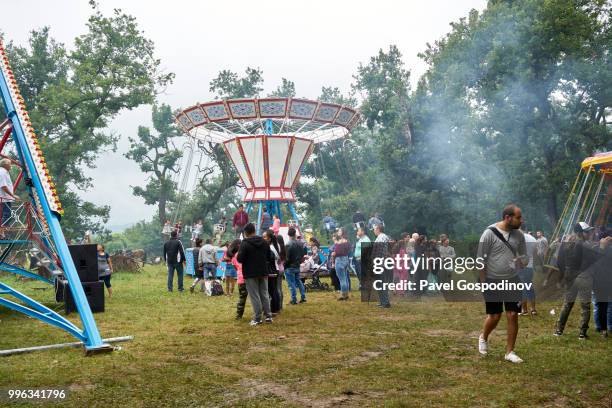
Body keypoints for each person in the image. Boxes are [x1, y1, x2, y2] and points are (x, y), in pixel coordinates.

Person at [477, 204, 527, 363]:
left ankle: (509, 352)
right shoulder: (489, 234)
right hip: (492, 280)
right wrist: (484, 282)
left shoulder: (519, 235)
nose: (521, 220)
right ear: (508, 217)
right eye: (518, 217)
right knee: (495, 315)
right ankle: (483, 337)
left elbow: (525, 258)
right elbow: (480, 260)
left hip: (512, 280)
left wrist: (520, 261)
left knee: (512, 314)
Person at [555, 222, 600, 339]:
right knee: (585, 306)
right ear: (581, 233)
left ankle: (558, 330)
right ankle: (582, 334)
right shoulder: (587, 246)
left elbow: (559, 262)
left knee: (567, 304)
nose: (590, 233)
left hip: (570, 276)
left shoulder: (566, 243)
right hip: (584, 276)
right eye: (588, 231)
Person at [237, 223, 273, 325]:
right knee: (264, 294)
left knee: (254, 295)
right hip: (263, 271)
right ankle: (268, 316)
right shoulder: (264, 241)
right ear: (254, 230)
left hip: (250, 273)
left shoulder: (245, 243)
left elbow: (240, 259)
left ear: (246, 233)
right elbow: (270, 257)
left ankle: (257, 318)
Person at [284, 226, 306, 305]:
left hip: (290, 266)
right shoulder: (300, 243)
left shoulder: (288, 244)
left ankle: (294, 299)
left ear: (288, 234)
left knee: (291, 284)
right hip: (297, 265)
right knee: (299, 282)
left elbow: (287, 258)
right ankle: (303, 297)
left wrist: (284, 266)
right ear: (295, 234)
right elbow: (302, 255)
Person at [518, 230, 537, 316]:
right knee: (529, 287)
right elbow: (535, 254)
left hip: (520, 267)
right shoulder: (533, 239)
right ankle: (533, 309)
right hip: (530, 267)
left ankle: (524, 310)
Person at [373, 223, 392, 308]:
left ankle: (385, 302)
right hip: (384, 262)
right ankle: (383, 301)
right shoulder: (386, 237)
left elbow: (378, 252)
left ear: (378, 229)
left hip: (379, 263)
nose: (374, 231)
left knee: (381, 283)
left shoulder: (380, 238)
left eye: (374, 229)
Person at [264, 230, 282, 313]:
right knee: (274, 290)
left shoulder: (270, 247)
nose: (263, 239)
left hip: (272, 270)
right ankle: (277, 307)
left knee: (272, 291)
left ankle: (274, 308)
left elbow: (271, 259)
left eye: (264, 237)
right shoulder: (276, 245)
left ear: (269, 238)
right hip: (276, 269)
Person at [228, 240, 247, 320]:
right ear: (239, 245)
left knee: (242, 298)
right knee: (255, 297)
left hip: (240, 279)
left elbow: (236, 268)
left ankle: (239, 315)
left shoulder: (233, 257)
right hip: (248, 278)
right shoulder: (243, 254)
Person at [332, 228, 352, 301]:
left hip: (339, 260)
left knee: (342, 279)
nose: (338, 232)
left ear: (342, 233)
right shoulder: (347, 241)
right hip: (346, 259)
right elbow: (349, 249)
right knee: (345, 278)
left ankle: (343, 295)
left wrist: (334, 253)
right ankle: (346, 294)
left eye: (339, 231)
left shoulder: (339, 242)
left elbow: (337, 252)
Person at [0, 159, 19, 228]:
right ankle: (2, 231)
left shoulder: (4, 172)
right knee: (7, 215)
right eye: (9, 163)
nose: (11, 165)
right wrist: (13, 195)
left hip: (5, 198)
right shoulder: (2, 172)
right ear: (5, 164)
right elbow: (3, 186)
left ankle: (3, 232)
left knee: (6, 215)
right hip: (4, 198)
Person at [276, 234, 287, 309]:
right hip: (282, 269)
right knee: (280, 288)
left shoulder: (277, 249)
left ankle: (279, 305)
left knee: (277, 289)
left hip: (278, 269)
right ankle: (281, 305)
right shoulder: (284, 249)